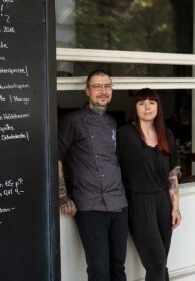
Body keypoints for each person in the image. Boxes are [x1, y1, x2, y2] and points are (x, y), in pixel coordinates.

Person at [58, 69, 128, 281]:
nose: (103, 91)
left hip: (119, 204)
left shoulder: (113, 123)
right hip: (90, 205)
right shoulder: (72, 121)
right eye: (97, 86)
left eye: (107, 86)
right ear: (87, 91)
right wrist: (62, 195)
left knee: (118, 268)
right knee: (99, 270)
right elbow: (56, 157)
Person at [117, 88, 182, 281]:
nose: (147, 107)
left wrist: (175, 208)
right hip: (139, 201)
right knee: (156, 261)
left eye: (152, 102)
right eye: (141, 103)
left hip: (163, 201)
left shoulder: (166, 134)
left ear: (158, 107)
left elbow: (172, 173)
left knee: (162, 261)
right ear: (134, 107)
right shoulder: (125, 134)